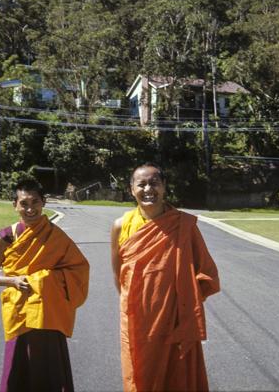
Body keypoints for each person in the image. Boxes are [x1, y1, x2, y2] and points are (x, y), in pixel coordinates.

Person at [111, 163, 220, 392]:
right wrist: (134, 305)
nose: (148, 189)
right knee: (139, 372)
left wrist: (185, 304)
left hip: (175, 317)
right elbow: (118, 274)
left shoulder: (183, 225)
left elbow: (207, 273)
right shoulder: (121, 226)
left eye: (154, 183)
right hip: (136, 318)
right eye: (141, 184)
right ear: (132, 189)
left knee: (177, 375)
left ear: (164, 187)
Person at [0, 179, 90, 392]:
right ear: (15, 205)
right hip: (19, 312)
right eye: (24, 203)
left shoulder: (56, 236)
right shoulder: (7, 235)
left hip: (48, 312)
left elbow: (79, 268)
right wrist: (13, 280)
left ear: (43, 203)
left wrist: (45, 280)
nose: (30, 208)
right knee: (18, 365)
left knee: (49, 367)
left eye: (35, 202)